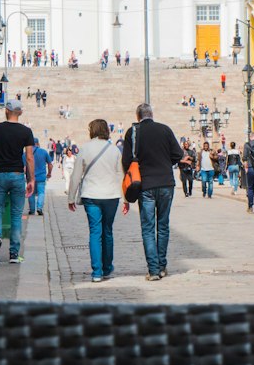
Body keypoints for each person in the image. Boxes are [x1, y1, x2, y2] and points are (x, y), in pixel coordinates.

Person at [121, 103, 183, 281]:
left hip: (145, 185)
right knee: (163, 226)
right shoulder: (165, 130)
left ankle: (153, 270)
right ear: (152, 114)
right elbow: (177, 155)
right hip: (166, 183)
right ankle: (162, 266)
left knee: (148, 228)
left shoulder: (132, 132)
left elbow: (126, 161)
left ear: (137, 116)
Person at [0, 97, 35, 263]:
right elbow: (29, 157)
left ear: (6, 111)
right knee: (16, 215)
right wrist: (31, 179)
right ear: (20, 112)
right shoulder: (26, 132)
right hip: (17, 174)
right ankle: (13, 254)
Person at [68, 117, 121, 282]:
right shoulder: (114, 150)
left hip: (91, 195)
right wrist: (125, 198)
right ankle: (107, 267)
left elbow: (76, 175)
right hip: (111, 195)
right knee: (108, 231)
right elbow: (121, 175)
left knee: (95, 232)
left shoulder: (85, 149)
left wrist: (71, 197)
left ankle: (96, 271)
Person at [29, 137, 52, 216]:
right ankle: (39, 208)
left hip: (30, 177)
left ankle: (32, 210)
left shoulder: (27, 153)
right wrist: (49, 173)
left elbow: (24, 167)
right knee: (41, 193)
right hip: (41, 177)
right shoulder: (44, 152)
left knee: (31, 193)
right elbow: (50, 164)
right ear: (38, 143)